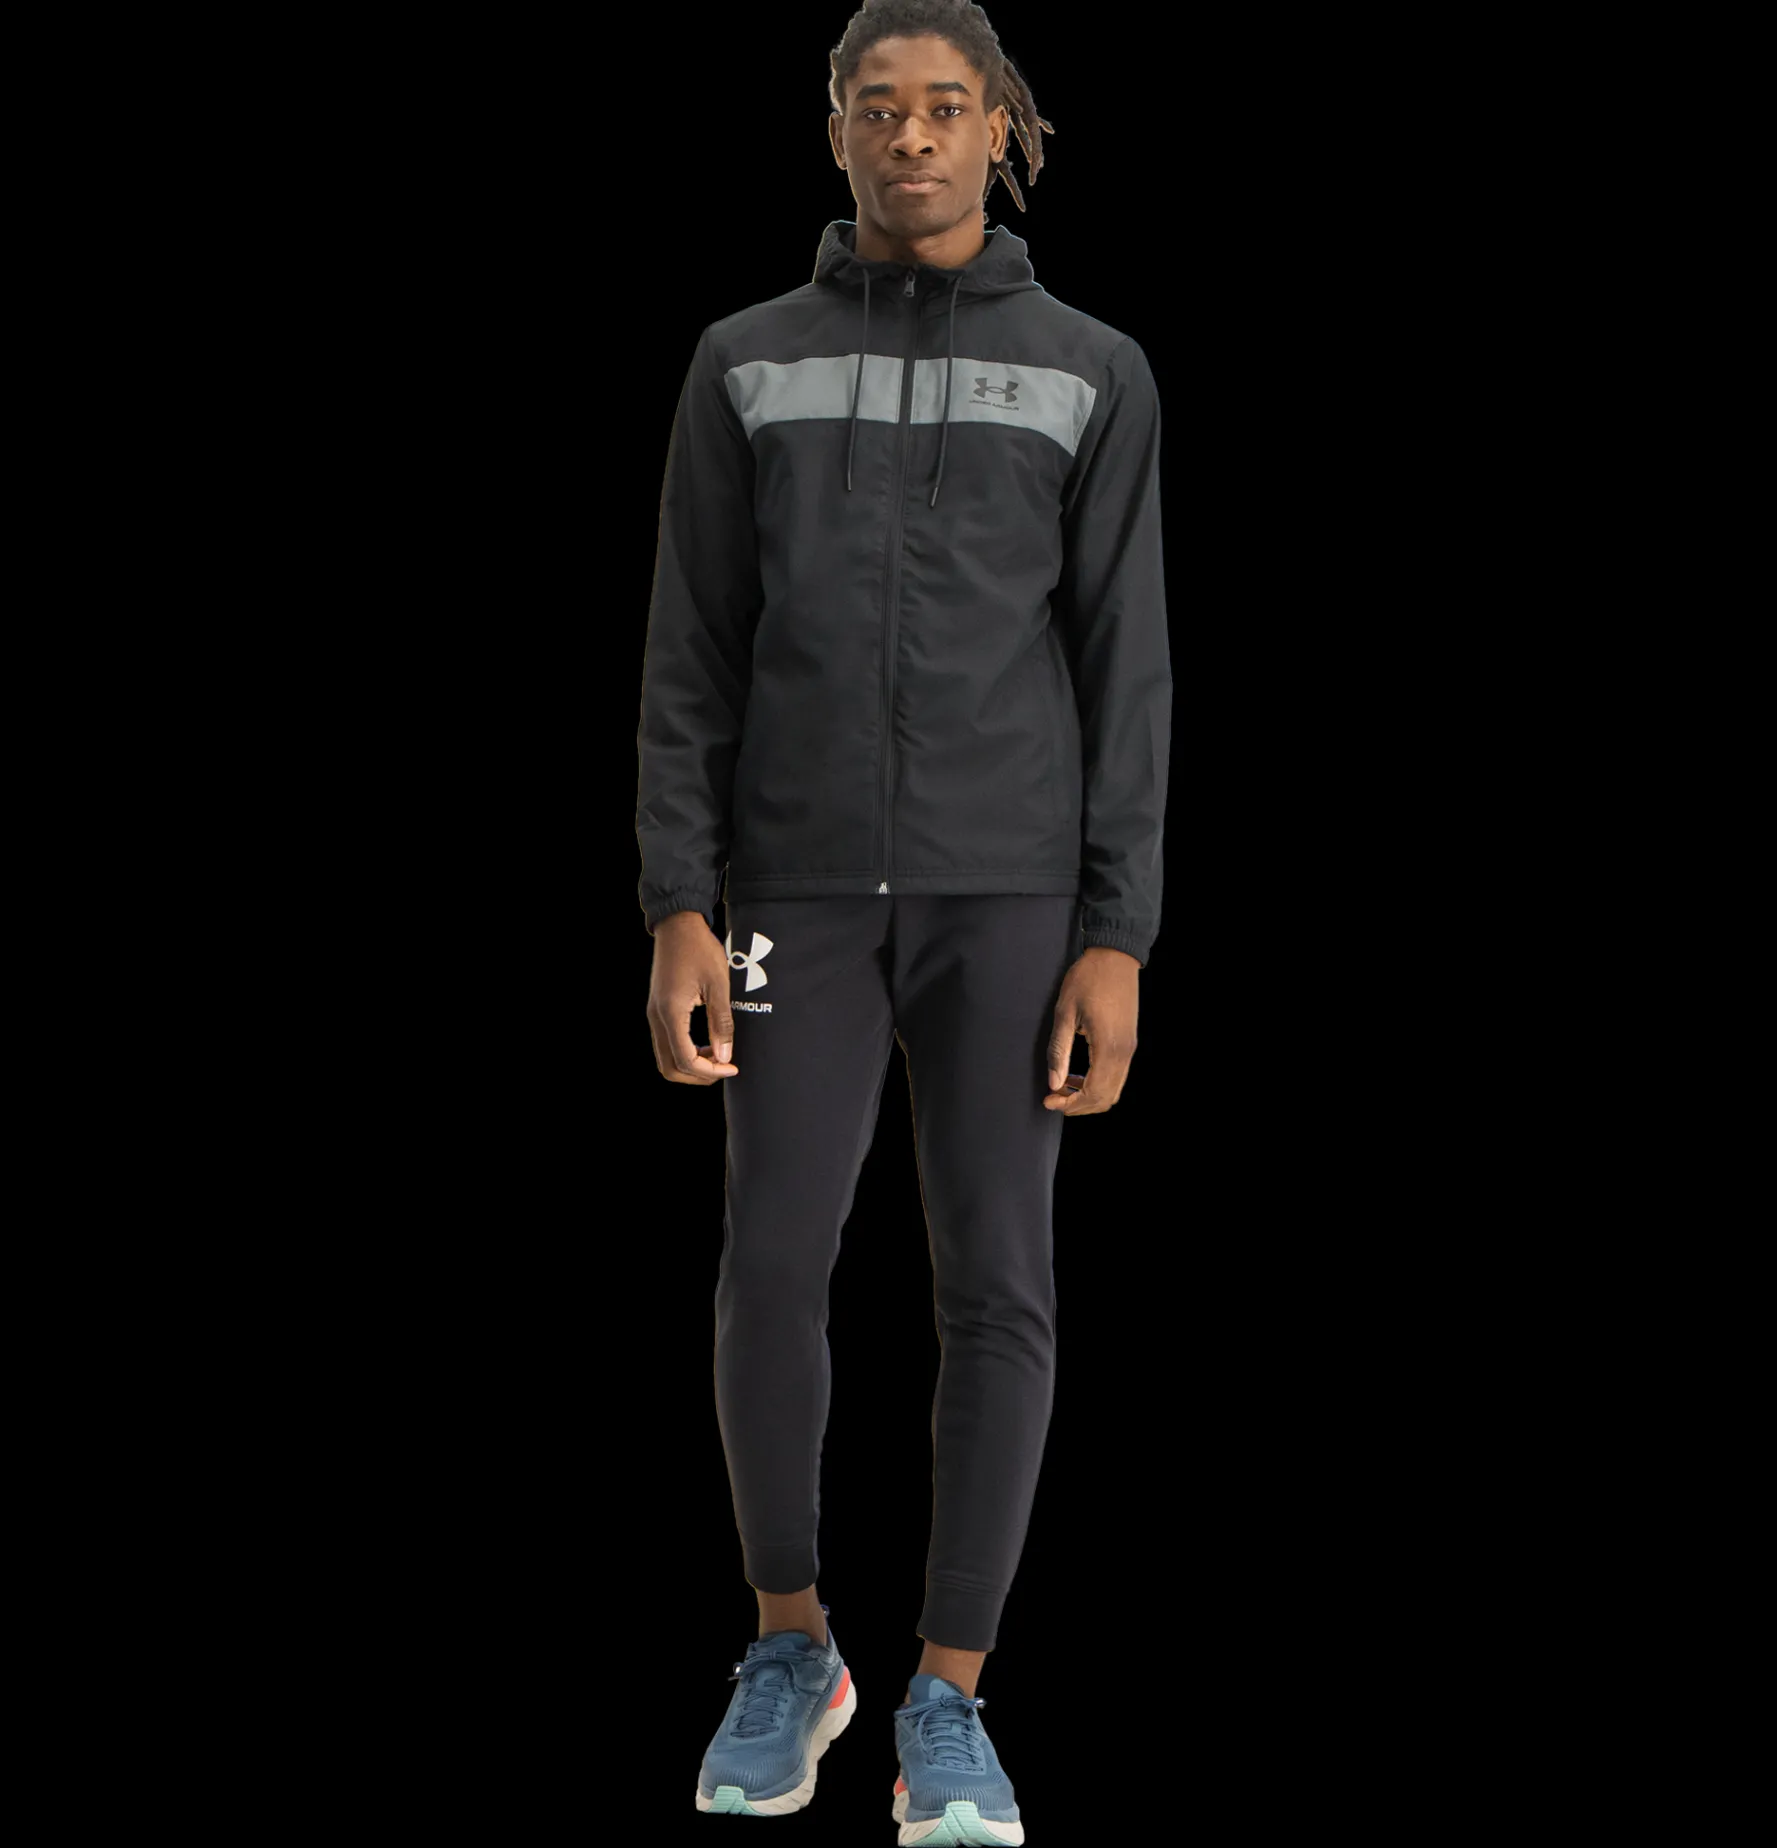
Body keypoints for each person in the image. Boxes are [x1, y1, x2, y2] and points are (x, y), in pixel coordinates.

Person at [635, 2, 1170, 1838]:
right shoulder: (743, 363)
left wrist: (1117, 932)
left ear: (1002, 129)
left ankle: (951, 1690)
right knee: (774, 1259)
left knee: (998, 1277)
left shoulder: (1094, 369)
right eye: (882, 107)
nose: (915, 136)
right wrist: (678, 900)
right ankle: (792, 1647)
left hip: (1008, 895)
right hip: (789, 890)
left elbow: (1128, 670)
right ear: (838, 133)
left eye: (949, 107)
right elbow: (689, 655)